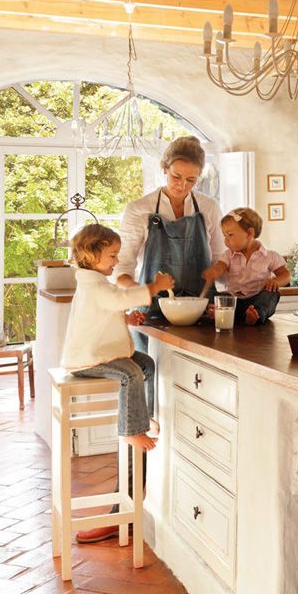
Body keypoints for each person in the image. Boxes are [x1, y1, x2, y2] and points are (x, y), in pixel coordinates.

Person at [61, 224, 174, 543]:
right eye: (111, 255)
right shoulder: (94, 282)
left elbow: (102, 312)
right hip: (89, 360)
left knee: (146, 364)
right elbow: (118, 298)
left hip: (102, 352)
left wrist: (126, 320)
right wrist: (155, 286)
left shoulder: (95, 281)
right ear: (92, 254)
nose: (115, 260)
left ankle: (144, 415)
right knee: (131, 373)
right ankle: (130, 430)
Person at [114, 135, 224, 316]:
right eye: (176, 176)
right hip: (153, 312)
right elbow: (122, 268)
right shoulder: (138, 209)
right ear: (164, 168)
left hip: (202, 310)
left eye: (191, 180)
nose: (182, 185)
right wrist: (144, 292)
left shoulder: (209, 208)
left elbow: (220, 259)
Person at [202, 207, 290, 325]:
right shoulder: (228, 255)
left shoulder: (270, 256)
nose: (226, 241)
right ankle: (216, 311)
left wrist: (276, 281)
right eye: (224, 236)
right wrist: (214, 271)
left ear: (249, 233)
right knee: (214, 295)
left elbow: (286, 275)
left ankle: (255, 315)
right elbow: (221, 266)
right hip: (234, 302)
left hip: (256, 301)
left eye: (230, 235)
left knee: (271, 294)